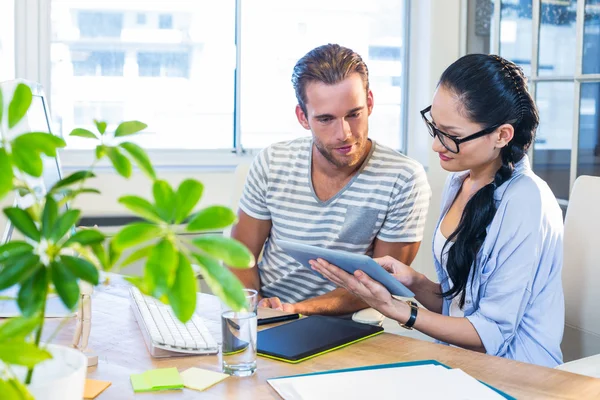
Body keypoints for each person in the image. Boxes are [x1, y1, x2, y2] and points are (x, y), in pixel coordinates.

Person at [311, 54, 565, 367]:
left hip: (518, 373)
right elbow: (459, 307)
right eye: (435, 126)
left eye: (452, 136)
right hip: (457, 362)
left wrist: (402, 311)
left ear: (502, 135)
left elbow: (491, 333)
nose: (436, 146)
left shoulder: (526, 201)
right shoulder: (460, 181)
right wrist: (414, 282)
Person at [230, 44, 431, 316]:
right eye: (325, 119)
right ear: (303, 117)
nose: (344, 134)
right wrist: (253, 308)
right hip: (266, 314)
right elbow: (240, 256)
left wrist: (297, 310)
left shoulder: (404, 178)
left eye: (354, 114)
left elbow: (382, 283)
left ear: (369, 103)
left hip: (345, 325)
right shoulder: (272, 162)